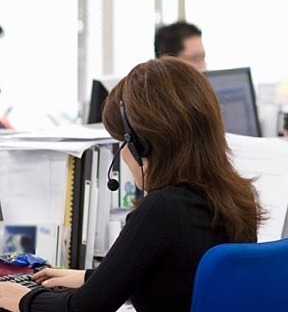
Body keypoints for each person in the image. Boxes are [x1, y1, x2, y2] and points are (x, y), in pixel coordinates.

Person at [0, 57, 262, 312]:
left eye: (122, 142)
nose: (122, 153)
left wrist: (20, 298)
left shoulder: (164, 209)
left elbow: (82, 308)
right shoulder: (235, 197)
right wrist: (92, 278)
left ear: (142, 145)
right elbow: (175, 276)